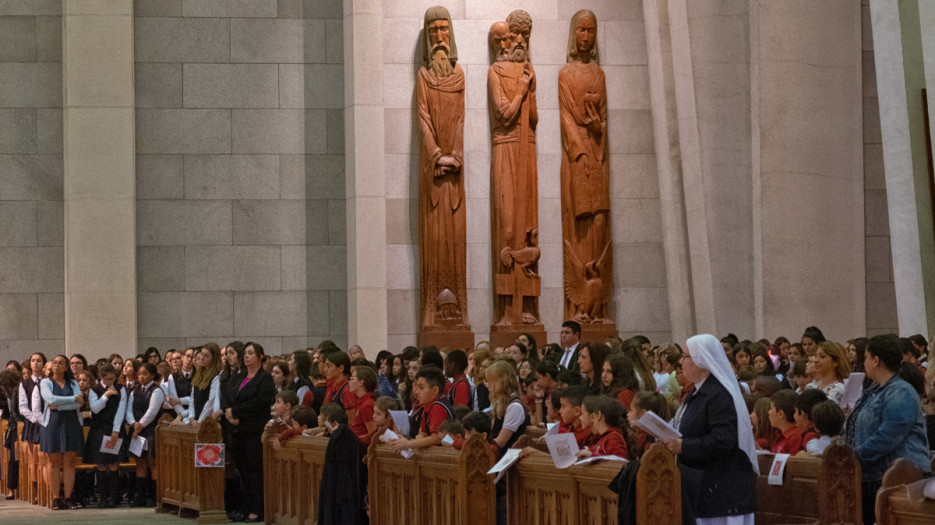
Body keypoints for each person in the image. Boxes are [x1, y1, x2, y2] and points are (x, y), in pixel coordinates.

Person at [664, 334, 758, 525]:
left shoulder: (719, 395)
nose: (681, 362)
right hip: (702, 487)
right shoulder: (699, 392)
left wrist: (684, 447)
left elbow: (724, 440)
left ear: (702, 361)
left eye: (685, 356)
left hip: (721, 492)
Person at [846, 334, 931, 525]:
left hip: (898, 478)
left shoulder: (900, 391)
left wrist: (855, 456)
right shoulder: (874, 390)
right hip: (871, 476)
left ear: (876, 360)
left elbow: (888, 435)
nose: (864, 361)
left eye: (866, 357)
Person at [225, 342, 275, 523]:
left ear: (260, 356)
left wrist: (237, 412)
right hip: (237, 430)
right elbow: (229, 395)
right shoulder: (240, 377)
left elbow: (260, 402)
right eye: (245, 353)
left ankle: (257, 509)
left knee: (255, 471)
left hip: (254, 430)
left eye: (251, 353)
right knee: (242, 470)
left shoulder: (265, 379)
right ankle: (245, 507)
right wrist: (230, 413)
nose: (246, 356)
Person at [38, 355, 85, 510]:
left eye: (61, 364)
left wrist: (61, 406)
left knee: (70, 461)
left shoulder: (73, 383)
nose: (57, 366)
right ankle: (56, 498)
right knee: (54, 462)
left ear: (66, 367)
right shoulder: (46, 382)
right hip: (52, 424)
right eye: (55, 363)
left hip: (71, 423)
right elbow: (50, 399)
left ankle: (68, 497)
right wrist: (72, 400)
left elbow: (80, 404)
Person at [85, 364, 128, 508]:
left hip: (115, 428)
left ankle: (114, 498)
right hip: (99, 429)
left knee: (114, 463)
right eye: (108, 379)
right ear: (101, 377)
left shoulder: (121, 389)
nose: (111, 381)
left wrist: (116, 430)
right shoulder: (94, 390)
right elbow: (95, 409)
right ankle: (103, 498)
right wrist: (105, 395)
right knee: (102, 463)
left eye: (113, 378)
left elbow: (121, 410)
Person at [125, 362, 164, 507]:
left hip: (151, 429)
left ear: (152, 375)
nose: (141, 377)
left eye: (144, 374)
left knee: (152, 462)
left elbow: (152, 412)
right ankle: (140, 497)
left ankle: (155, 497)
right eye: (139, 374)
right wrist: (133, 423)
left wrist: (140, 425)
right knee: (139, 463)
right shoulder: (135, 390)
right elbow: (128, 409)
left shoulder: (157, 390)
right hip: (137, 430)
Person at [391, 367, 452, 450]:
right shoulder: (427, 405)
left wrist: (409, 443)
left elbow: (435, 439)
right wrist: (405, 441)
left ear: (435, 390)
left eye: (421, 388)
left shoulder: (437, 407)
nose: (416, 392)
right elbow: (422, 434)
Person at [486, 360, 529, 453]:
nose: (487, 385)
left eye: (490, 381)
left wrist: (478, 445)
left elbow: (501, 442)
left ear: (501, 382)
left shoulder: (515, 407)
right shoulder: (502, 403)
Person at [576, 395, 628, 459]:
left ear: (596, 415)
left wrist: (592, 455)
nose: (580, 418)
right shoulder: (600, 438)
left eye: (582, 413)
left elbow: (619, 462)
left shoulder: (613, 437)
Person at [626, 391, 671, 458]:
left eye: (631, 410)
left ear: (643, 414)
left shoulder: (648, 443)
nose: (628, 414)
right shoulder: (637, 436)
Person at [186, 344, 222, 424]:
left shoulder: (217, 376)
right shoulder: (199, 373)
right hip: (196, 419)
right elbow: (192, 398)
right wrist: (191, 418)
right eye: (202, 354)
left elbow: (210, 402)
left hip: (207, 421)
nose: (202, 358)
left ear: (214, 358)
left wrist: (200, 422)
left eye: (206, 356)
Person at [348, 366, 377, 445]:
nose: (349, 382)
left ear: (361, 382)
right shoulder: (360, 401)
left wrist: (353, 439)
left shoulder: (367, 404)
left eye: (352, 379)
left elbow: (373, 434)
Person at [768, 390, 803, 454]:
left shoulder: (795, 438)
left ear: (780, 413)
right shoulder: (779, 434)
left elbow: (795, 463)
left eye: (771, 408)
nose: (768, 412)